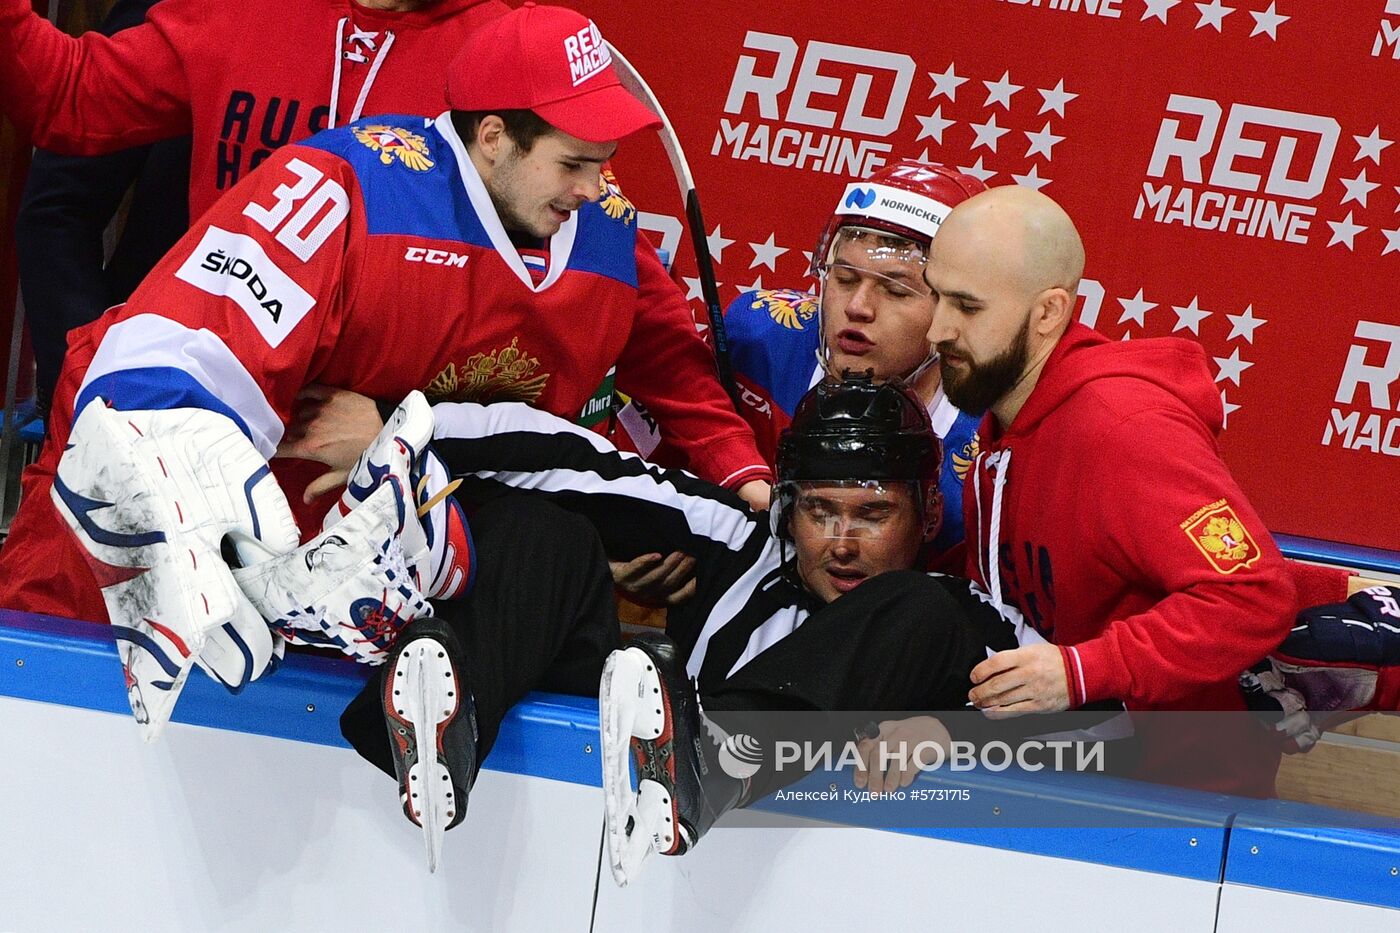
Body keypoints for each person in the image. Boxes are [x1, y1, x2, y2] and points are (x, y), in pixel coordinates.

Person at [0, 5, 770, 733]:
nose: (594, 186)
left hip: (370, 562)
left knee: (553, 554)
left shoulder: (589, 219)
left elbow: (668, 359)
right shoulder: (341, 183)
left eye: (599, 163)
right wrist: (171, 483)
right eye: (577, 162)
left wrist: (742, 475)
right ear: (494, 136)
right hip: (199, 485)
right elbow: (173, 349)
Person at [297, 375, 1022, 876]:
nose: (841, 541)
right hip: (596, 805)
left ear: (927, 514)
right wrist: (399, 430)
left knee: (917, 608)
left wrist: (955, 731)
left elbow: (1105, 723)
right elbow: (561, 456)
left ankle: (708, 763)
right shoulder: (740, 541)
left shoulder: (961, 612)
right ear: (788, 506)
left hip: (766, 866)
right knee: (547, 530)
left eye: (872, 515)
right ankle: (428, 737)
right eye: (819, 511)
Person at [922, 185, 1296, 795]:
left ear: (1047, 312)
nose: (937, 329)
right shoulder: (1007, 419)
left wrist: (1080, 671)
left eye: (967, 306)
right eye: (936, 295)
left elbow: (1253, 593)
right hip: (1065, 774)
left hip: (1173, 812)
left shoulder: (1126, 430)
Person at [621, 160, 987, 563]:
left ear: (956, 308)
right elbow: (646, 468)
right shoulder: (757, 336)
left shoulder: (988, 436)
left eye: (895, 291)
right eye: (844, 279)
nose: (858, 307)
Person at [14, 0, 192, 422]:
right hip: (148, 393)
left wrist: (381, 414)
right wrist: (92, 386)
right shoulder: (197, 10)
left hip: (339, 422)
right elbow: (59, 207)